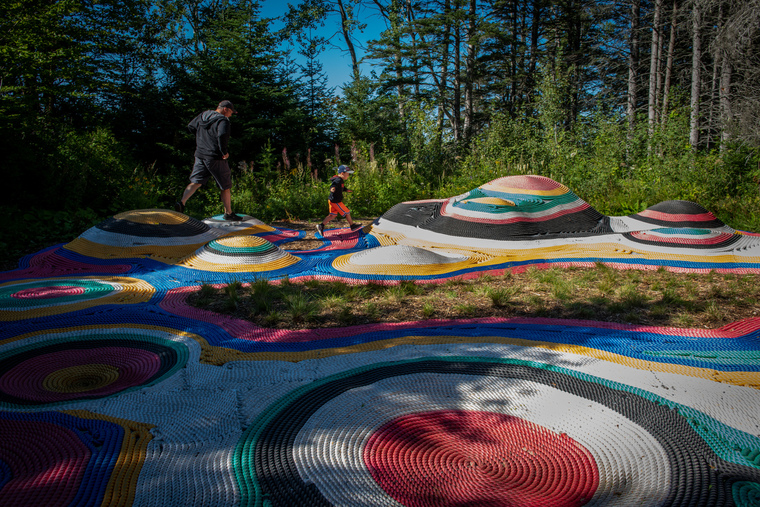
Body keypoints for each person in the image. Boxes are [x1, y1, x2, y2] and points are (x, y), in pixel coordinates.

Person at [174, 100, 243, 221]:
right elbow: (222, 135)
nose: (231, 115)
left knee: (196, 181)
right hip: (215, 157)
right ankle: (228, 213)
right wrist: (224, 152)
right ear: (225, 109)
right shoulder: (223, 120)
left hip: (200, 155)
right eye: (231, 112)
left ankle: (181, 203)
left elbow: (190, 126)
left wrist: (202, 137)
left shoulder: (203, 115)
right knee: (225, 185)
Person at [317, 165, 362, 236]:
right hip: (335, 201)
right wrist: (332, 189)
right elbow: (333, 185)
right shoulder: (338, 180)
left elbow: (341, 187)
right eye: (347, 174)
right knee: (347, 212)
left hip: (331, 200)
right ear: (342, 173)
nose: (348, 176)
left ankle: (321, 226)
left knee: (332, 215)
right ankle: (352, 226)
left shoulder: (340, 180)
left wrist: (346, 190)